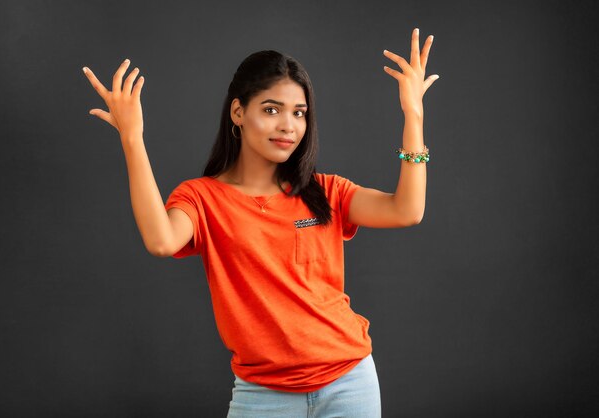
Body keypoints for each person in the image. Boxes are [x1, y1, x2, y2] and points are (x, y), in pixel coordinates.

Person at [82, 27, 438, 418]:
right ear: (239, 112)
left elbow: (407, 210)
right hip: (263, 395)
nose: (288, 126)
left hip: (349, 382)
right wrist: (133, 139)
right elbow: (161, 240)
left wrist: (413, 115)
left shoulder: (325, 191)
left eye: (299, 113)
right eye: (272, 109)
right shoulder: (202, 198)